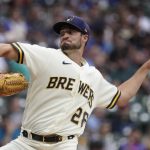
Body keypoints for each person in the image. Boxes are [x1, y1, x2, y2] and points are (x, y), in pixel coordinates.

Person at [0, 15, 150, 150]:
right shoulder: (46, 55)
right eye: (62, 33)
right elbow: (6, 49)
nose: (65, 35)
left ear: (84, 37)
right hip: (26, 143)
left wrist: (145, 68)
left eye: (70, 32)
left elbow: (122, 96)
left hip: (64, 145)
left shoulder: (94, 76)